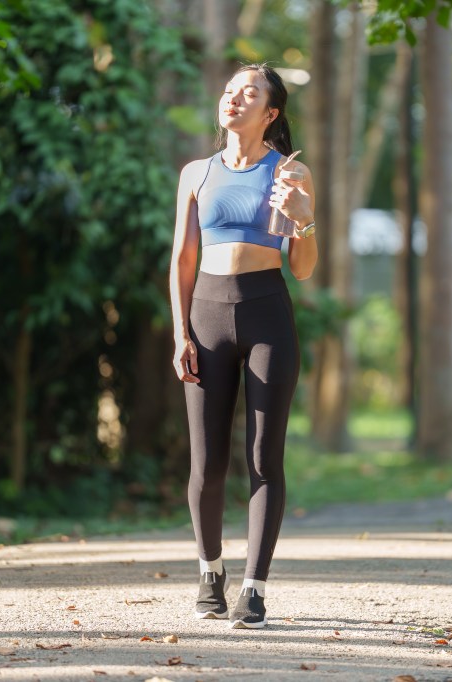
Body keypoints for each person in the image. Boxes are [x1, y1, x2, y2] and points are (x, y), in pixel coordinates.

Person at [168, 64, 318, 629]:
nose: (233, 98)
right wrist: (181, 330)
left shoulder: (289, 172)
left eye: (248, 93)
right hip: (205, 315)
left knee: (262, 459)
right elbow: (183, 258)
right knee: (205, 464)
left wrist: (305, 221)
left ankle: (253, 589)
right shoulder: (195, 174)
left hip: (266, 314)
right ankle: (210, 573)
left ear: (270, 113)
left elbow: (302, 270)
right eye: (230, 90)